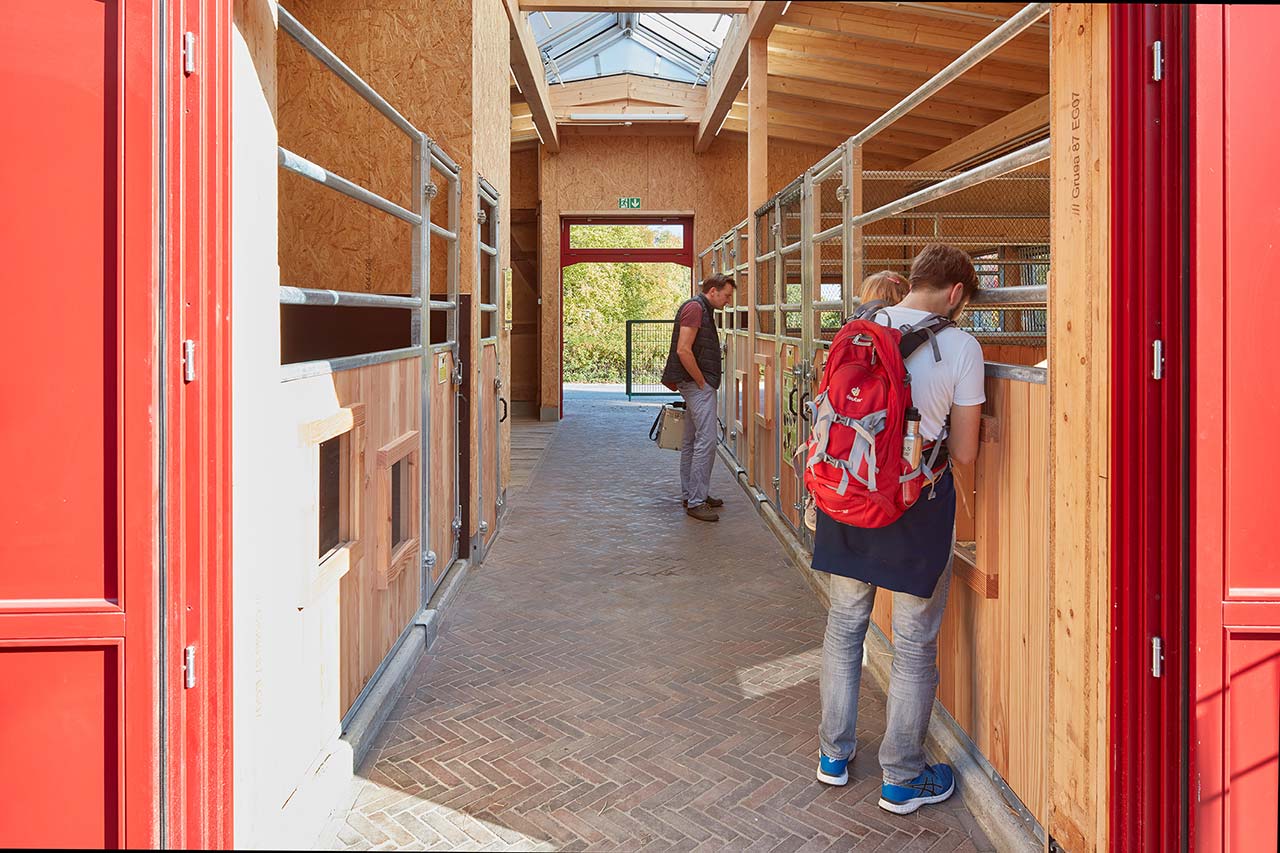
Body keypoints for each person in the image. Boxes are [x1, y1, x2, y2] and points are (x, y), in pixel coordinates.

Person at [812, 245, 985, 815]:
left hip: (847, 498)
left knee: (844, 629)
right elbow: (963, 450)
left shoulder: (858, 328)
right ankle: (901, 779)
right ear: (957, 293)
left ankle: (833, 757)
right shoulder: (961, 345)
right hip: (916, 504)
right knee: (912, 646)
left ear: (912, 280)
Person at [660, 273, 736, 522]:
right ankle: (696, 500)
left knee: (692, 440)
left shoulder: (699, 308)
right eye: (726, 296)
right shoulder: (695, 308)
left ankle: (691, 494)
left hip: (692, 383)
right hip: (696, 384)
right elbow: (684, 349)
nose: (728, 301)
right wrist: (702, 382)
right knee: (707, 441)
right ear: (712, 291)